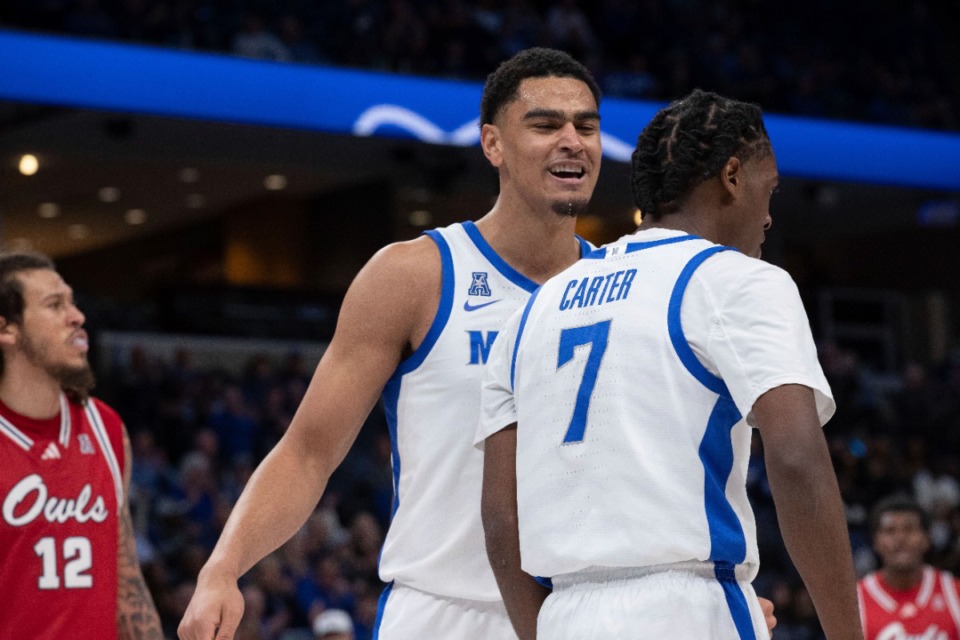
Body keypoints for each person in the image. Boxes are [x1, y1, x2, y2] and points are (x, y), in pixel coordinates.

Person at [178, 49, 775, 640]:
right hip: (443, 611)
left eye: (586, 126)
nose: (572, 140)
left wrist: (709, 600)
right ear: (492, 144)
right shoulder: (416, 275)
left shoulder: (626, 287)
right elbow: (309, 451)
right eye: (545, 125)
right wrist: (222, 569)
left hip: (574, 616)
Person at [477, 88, 862, 639]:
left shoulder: (530, 312)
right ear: (732, 176)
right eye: (768, 190)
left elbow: (499, 521)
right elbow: (797, 457)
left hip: (562, 613)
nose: (770, 216)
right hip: (687, 608)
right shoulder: (739, 280)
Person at [0, 251, 163, 639]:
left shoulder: (105, 427)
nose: (77, 316)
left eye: (72, 302)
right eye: (55, 305)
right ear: (7, 330)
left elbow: (126, 580)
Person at [857, 494, 960, 639]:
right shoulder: (856, 601)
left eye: (909, 529)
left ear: (926, 538)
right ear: (876, 542)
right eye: (890, 531)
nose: (900, 538)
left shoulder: (954, 592)